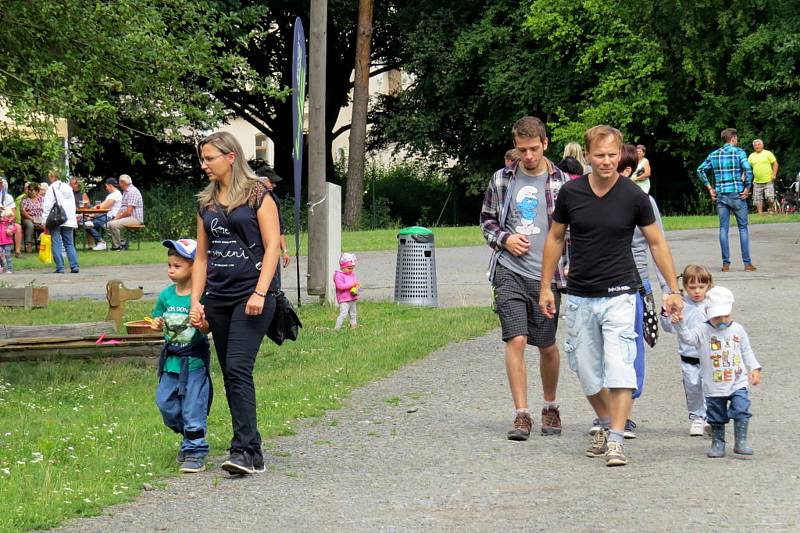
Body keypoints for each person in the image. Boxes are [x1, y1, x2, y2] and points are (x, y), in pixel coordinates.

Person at [539, 125, 684, 467]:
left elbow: (657, 243)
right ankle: (606, 423)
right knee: (587, 371)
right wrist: (545, 286)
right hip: (580, 296)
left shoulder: (634, 196)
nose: (606, 162)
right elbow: (555, 239)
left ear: (621, 155)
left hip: (621, 293)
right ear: (587, 156)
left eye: (612, 155)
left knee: (620, 367)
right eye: (599, 155)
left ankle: (616, 439)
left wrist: (672, 289)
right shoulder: (571, 194)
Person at [190, 131, 281, 475]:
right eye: (202, 159)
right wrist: (195, 301)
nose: (204, 165)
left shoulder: (259, 195)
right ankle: (252, 451)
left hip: (251, 296)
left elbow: (272, 246)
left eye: (209, 158)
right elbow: (201, 256)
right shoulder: (206, 203)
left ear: (230, 157)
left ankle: (242, 450)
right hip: (218, 298)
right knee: (231, 373)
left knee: (239, 368)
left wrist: (260, 292)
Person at [480, 116, 571, 441]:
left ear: (545, 144)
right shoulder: (501, 179)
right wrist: (504, 239)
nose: (528, 156)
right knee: (515, 339)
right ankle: (521, 414)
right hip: (509, 271)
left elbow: (572, 232)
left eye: (533, 149)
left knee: (545, 345)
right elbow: (487, 220)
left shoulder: (564, 183)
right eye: (522, 150)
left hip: (547, 276)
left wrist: (571, 266)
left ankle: (550, 405)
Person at [616, 143, 669, 439]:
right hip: (602, 284)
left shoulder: (643, 201)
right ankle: (609, 413)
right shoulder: (593, 199)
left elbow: (658, 245)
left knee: (632, 350)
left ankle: (626, 415)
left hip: (636, 284)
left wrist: (668, 290)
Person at [673, 286, 762, 458]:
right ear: (707, 312)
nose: (722, 320)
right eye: (716, 317)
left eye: (725, 316)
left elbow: (746, 351)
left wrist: (754, 369)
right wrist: (680, 324)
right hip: (713, 384)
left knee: (742, 408)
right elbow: (688, 339)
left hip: (737, 381)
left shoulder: (737, 329)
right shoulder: (703, 330)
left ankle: (741, 441)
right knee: (716, 415)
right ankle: (718, 442)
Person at [150, 238, 213, 474]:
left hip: (194, 363)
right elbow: (157, 319)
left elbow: (209, 327)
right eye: (169, 265)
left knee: (192, 408)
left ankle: (195, 450)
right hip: (171, 363)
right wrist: (156, 323)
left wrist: (202, 323)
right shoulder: (166, 295)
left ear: (195, 267)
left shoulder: (201, 296)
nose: (171, 271)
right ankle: (189, 434)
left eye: (177, 266)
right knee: (165, 404)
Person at [660, 264, 714, 436]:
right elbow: (668, 328)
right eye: (692, 287)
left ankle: (710, 417)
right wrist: (667, 314)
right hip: (688, 356)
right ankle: (697, 416)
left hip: (710, 356)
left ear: (708, 286)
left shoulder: (712, 304)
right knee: (692, 387)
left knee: (711, 388)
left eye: (701, 287)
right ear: (684, 287)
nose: (697, 291)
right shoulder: (681, 304)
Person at [696, 128, 756, 272]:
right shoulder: (739, 152)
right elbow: (748, 169)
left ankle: (725, 264)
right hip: (737, 194)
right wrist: (747, 187)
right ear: (733, 138)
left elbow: (700, 170)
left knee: (723, 228)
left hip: (721, 195)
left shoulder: (714, 154)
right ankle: (747, 263)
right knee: (743, 228)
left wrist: (710, 188)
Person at [41, 171, 79, 274]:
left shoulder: (51, 188)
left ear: (52, 177)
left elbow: (47, 206)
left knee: (56, 243)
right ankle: (74, 265)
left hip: (56, 219)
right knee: (69, 243)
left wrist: (44, 221)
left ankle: (60, 267)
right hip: (68, 219)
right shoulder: (68, 188)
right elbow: (72, 205)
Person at [255, 165, 290, 269]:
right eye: (271, 181)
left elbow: (279, 227)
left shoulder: (273, 199)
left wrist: (285, 251)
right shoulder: (246, 199)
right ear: (260, 180)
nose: (274, 185)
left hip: (271, 252)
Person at [107, 174, 144, 251]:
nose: (118, 184)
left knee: (112, 224)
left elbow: (128, 212)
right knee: (107, 224)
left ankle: (117, 246)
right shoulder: (125, 191)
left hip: (135, 218)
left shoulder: (132, 192)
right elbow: (122, 208)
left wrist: (116, 219)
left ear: (123, 182)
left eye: (119, 182)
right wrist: (116, 218)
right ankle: (122, 242)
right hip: (128, 217)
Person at [84, 177, 123, 251]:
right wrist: (92, 213)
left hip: (111, 217)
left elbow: (104, 206)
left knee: (86, 224)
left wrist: (92, 211)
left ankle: (101, 242)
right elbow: (102, 206)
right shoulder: (114, 194)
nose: (106, 188)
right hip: (107, 216)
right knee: (89, 223)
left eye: (106, 186)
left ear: (110, 185)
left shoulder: (115, 195)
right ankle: (100, 242)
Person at [747, 139, 779, 214]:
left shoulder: (768, 153)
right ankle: (760, 213)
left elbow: (775, 163)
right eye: (755, 145)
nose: (757, 146)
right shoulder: (751, 156)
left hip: (768, 180)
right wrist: (743, 175)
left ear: (762, 145)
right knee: (758, 199)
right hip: (757, 181)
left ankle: (771, 209)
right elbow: (747, 167)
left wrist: (774, 174)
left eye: (758, 144)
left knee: (769, 197)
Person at [333, 252, 360, 330]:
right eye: (349, 268)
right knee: (344, 314)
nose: (351, 270)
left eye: (352, 268)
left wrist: (357, 286)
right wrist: (352, 284)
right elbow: (340, 286)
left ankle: (353, 326)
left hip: (352, 297)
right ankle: (337, 328)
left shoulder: (351, 274)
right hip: (344, 299)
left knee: (353, 314)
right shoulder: (339, 275)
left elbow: (354, 282)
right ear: (343, 267)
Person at [0, 177, 22, 257]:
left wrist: (7, 221)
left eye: (2, 184)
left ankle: (17, 251)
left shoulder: (8, 197)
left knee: (18, 227)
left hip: (7, 222)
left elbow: (13, 215)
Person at [20, 183, 44, 253]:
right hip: (28, 218)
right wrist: (32, 219)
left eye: (32, 190)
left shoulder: (42, 199)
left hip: (40, 218)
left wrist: (42, 219)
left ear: (37, 191)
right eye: (29, 190)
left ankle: (43, 245)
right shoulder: (25, 200)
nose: (30, 191)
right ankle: (29, 245)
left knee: (46, 223)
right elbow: (23, 211)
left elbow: (46, 209)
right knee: (30, 225)